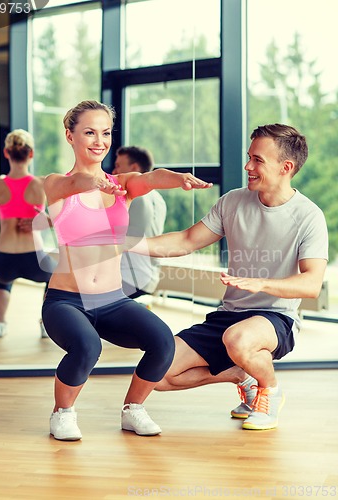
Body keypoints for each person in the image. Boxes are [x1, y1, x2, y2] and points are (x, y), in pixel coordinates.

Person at [132, 123, 328, 431]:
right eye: (249, 157)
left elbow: (311, 283)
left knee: (238, 339)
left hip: (275, 318)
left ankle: (269, 391)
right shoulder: (233, 202)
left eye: (258, 160)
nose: (248, 166)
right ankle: (241, 374)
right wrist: (129, 245)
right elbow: (185, 241)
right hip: (229, 316)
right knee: (159, 372)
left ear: (285, 167)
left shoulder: (308, 216)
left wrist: (263, 284)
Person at [41, 99, 213, 441]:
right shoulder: (56, 184)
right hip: (65, 301)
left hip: (111, 300)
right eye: (89, 132)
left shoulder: (122, 186)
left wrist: (178, 179)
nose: (99, 141)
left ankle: (133, 409)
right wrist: (92, 183)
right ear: (70, 135)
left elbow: (150, 178)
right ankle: (63, 413)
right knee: (87, 346)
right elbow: (73, 186)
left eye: (105, 133)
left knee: (162, 340)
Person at [0, 129, 56, 339]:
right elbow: (63, 211)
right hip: (33, 258)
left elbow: (4, 182)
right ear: (31, 154)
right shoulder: (42, 183)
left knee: (2, 280)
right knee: (54, 278)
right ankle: (45, 323)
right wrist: (48, 219)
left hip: (3, 257)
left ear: (6, 153)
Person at [113, 146, 167, 299]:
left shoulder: (129, 196)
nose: (114, 172)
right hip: (150, 278)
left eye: (118, 166)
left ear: (134, 168)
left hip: (128, 278)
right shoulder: (159, 199)